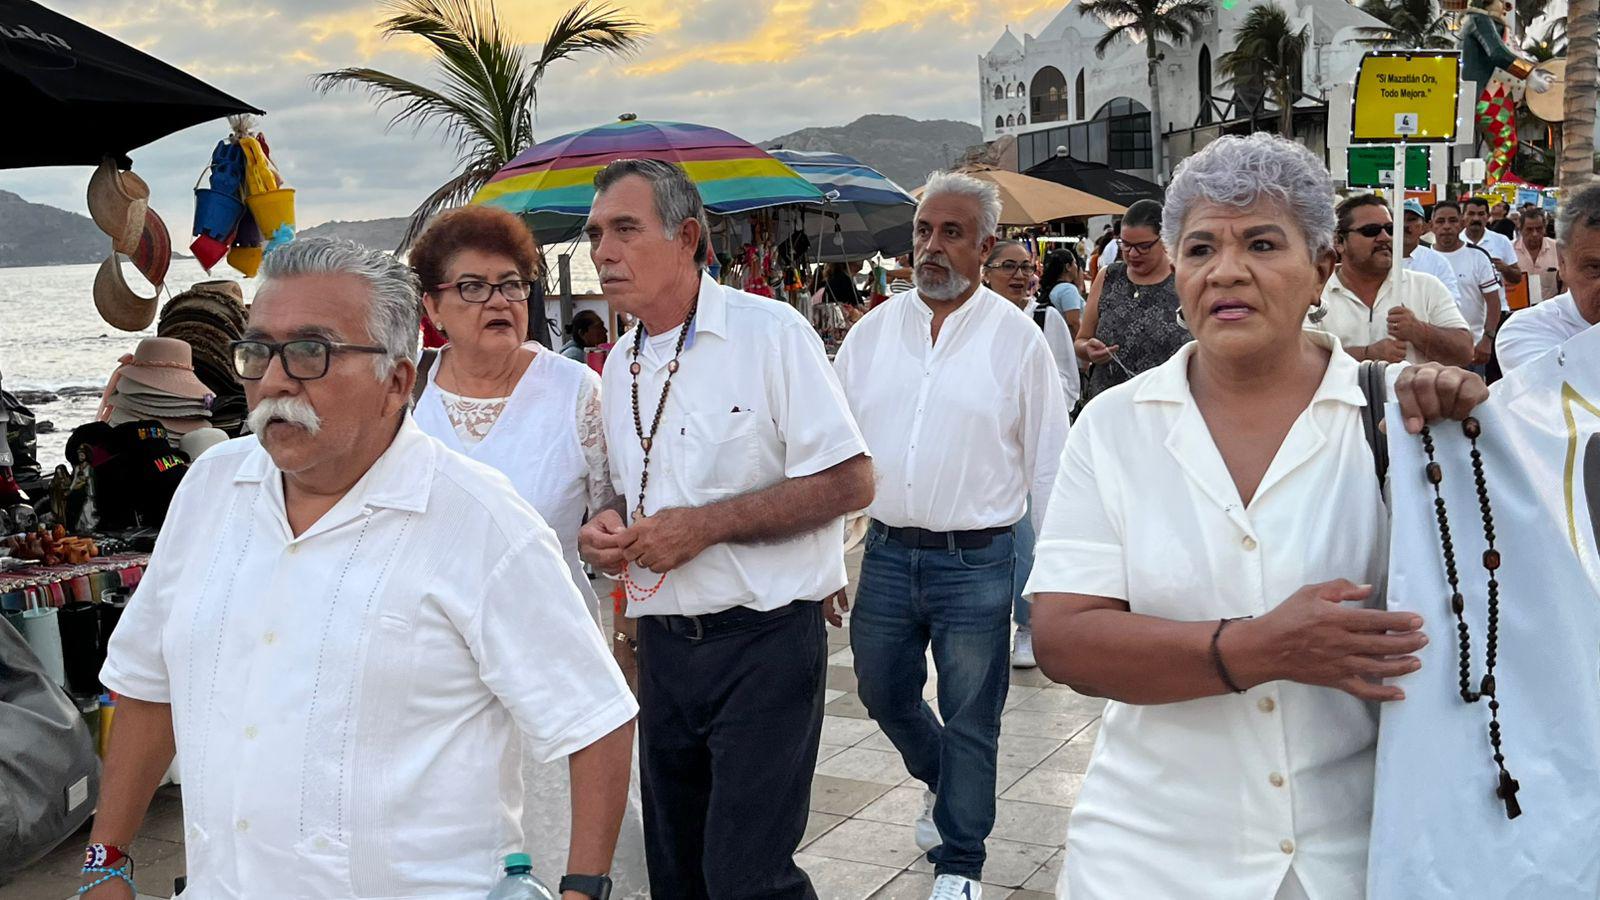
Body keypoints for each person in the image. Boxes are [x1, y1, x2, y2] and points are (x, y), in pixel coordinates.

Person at [88, 238, 638, 900]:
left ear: (397, 381)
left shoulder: (480, 521)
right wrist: (105, 863)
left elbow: (594, 719)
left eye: (312, 353)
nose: (276, 379)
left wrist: (582, 889)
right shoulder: (210, 488)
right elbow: (149, 683)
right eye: (258, 351)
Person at [1026, 132, 1490, 900]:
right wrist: (1259, 648)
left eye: (1262, 243)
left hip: (1356, 855)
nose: (1227, 270)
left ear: (1320, 269)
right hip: (1150, 857)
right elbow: (1066, 639)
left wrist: (1472, 438)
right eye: (1201, 247)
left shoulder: (1397, 425)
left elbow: (1482, 623)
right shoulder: (1115, 428)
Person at [577, 158, 873, 900]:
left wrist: (705, 528)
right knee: (678, 877)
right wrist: (605, 528)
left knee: (748, 879)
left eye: (623, 230)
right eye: (593, 234)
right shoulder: (619, 365)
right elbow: (631, 487)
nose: (602, 252)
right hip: (668, 650)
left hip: (765, 644)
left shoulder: (769, 333)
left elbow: (849, 480)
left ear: (685, 238)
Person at [832, 172, 1069, 898]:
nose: (931, 248)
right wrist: (820, 560)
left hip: (979, 560)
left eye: (952, 234)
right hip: (887, 550)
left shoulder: (1016, 343)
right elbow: (828, 452)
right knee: (881, 690)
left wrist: (1055, 585)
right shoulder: (872, 333)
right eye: (924, 232)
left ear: (986, 245)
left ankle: (960, 864)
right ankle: (946, 780)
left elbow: (1050, 466)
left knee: (974, 714)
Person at [406, 206, 649, 897]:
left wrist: (607, 529)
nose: (500, 302)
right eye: (474, 288)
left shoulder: (575, 392)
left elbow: (614, 503)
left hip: (551, 654)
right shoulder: (406, 396)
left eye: (513, 285)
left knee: (568, 829)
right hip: (437, 666)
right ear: (433, 304)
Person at [1316, 194, 1472, 366]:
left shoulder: (1426, 287)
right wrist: (1367, 354)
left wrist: (1418, 330)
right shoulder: (1315, 293)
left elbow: (1464, 353)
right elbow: (1296, 359)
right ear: (1339, 241)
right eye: (1371, 230)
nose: (1385, 237)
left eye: (1390, 229)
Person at [1076, 199, 1191, 402]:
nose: (1132, 254)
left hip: (1168, 404)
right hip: (1108, 405)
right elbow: (1081, 340)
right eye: (1125, 245)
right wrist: (1088, 350)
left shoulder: (1184, 280)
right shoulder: (1108, 277)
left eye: (1143, 246)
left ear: (1164, 240)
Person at [1498, 183, 1600, 371]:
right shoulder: (1526, 331)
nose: (1535, 234)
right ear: (1562, 262)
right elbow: (1566, 391)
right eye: (1595, 268)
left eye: (1539, 228)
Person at [1431, 200, 1502, 366]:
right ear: (1431, 226)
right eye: (1440, 221)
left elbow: (1493, 302)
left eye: (1453, 220)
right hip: (1430, 351)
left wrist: (1487, 339)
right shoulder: (1423, 257)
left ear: (1462, 223)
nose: (1446, 226)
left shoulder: (1478, 257)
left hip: (1471, 350)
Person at [1401, 200, 1462, 306]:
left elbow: (1451, 302)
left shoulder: (1438, 262)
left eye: (1412, 220)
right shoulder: (1379, 259)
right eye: (1400, 219)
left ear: (1424, 227)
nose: (1405, 225)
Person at [1512, 205, 1561, 306]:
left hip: (1549, 310)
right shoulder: (1508, 249)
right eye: (1529, 229)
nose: (1534, 234)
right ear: (1520, 229)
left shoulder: (1558, 248)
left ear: (1544, 228)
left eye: (1539, 229)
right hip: (1517, 311)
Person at [1039, 248, 1087, 336]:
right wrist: (1083, 341)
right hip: (1070, 342)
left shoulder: (1053, 288)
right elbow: (1074, 323)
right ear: (1068, 267)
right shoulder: (1068, 289)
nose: (1077, 267)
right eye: (1075, 263)